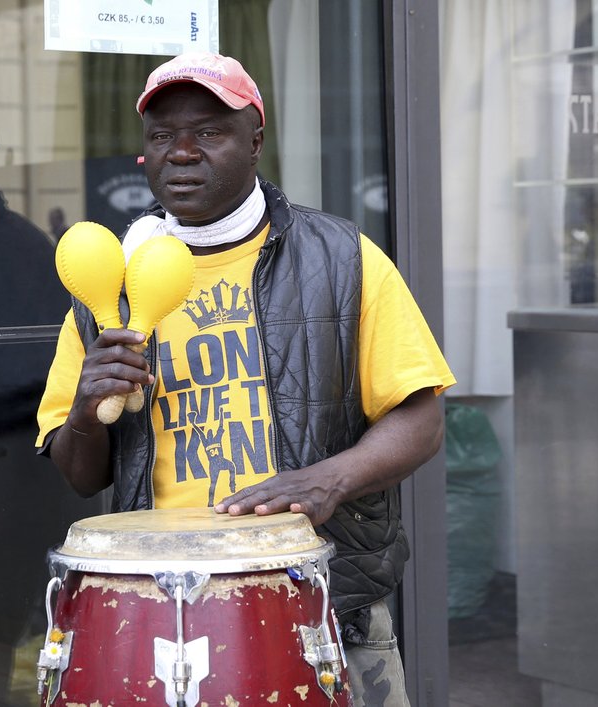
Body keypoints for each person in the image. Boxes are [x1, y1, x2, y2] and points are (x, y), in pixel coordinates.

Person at [35, 51, 456, 706]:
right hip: (157, 615)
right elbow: (82, 472)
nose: (180, 151)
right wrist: (88, 408)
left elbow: (421, 419)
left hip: (324, 608)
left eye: (207, 131)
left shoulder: (341, 258)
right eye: (162, 135)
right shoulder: (107, 286)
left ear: (255, 141)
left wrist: (328, 478)